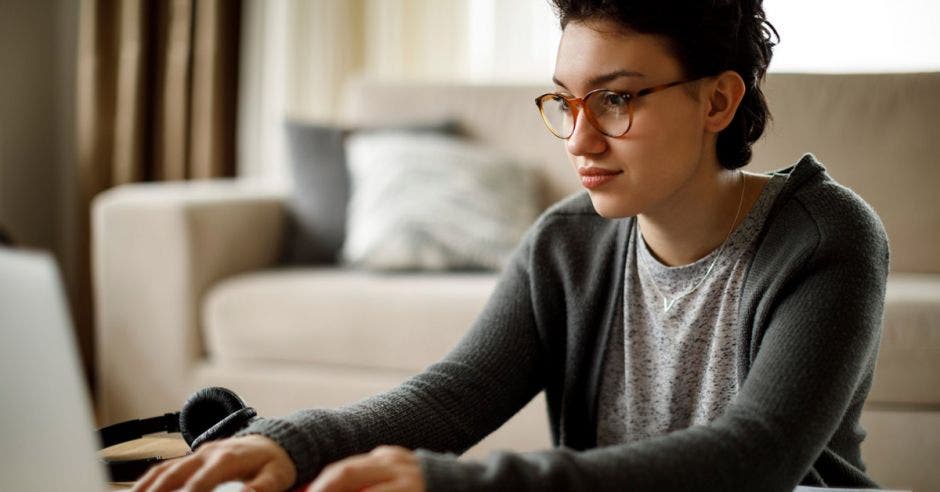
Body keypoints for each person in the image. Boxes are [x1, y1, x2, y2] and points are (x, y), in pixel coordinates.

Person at [132, 1, 889, 491]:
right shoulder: (567, 243)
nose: (580, 138)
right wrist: (296, 443)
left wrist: (452, 486)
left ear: (718, 100)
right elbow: (454, 394)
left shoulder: (825, 238)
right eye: (565, 101)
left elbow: (755, 457)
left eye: (617, 99)